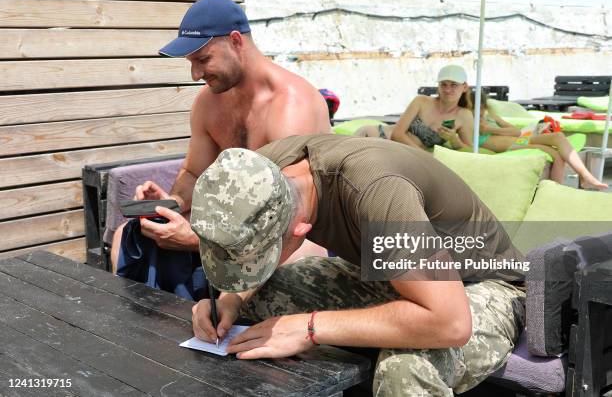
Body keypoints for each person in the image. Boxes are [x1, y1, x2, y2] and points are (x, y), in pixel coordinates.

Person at [190, 134, 527, 397]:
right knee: (267, 298)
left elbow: (450, 322)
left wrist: (309, 328)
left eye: (259, 259)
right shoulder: (258, 173)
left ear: (300, 231)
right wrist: (230, 299)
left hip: (481, 287)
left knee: (405, 369)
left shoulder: (379, 191)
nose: (252, 266)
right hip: (397, 277)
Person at [110, 0, 331, 299]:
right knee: (127, 235)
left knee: (303, 256)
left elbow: (287, 215)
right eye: (191, 63)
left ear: (236, 41)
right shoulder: (208, 103)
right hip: (229, 223)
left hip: (293, 231)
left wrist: (199, 241)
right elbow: (193, 173)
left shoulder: (291, 105)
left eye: (203, 60)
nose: (195, 74)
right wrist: (171, 203)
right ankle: (154, 334)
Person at [476, 92, 607, 190]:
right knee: (556, 147)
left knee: (552, 131)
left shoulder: (491, 116)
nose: (482, 110)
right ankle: (582, 178)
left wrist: (490, 128)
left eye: (483, 106)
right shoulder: (471, 121)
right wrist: (491, 129)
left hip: (519, 138)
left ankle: (583, 177)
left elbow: (515, 130)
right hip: (517, 142)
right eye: (478, 107)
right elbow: (513, 133)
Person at [354, 65, 474, 151]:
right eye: (443, 84)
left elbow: (469, 151)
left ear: (464, 87)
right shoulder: (421, 101)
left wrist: (454, 139)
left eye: (454, 85)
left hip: (399, 153)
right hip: (377, 136)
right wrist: (425, 157)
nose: (448, 90)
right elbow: (397, 134)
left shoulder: (464, 116)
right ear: (438, 86)